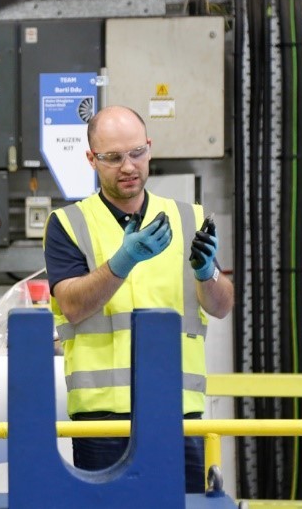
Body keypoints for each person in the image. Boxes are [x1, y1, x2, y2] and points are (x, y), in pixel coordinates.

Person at [42, 105, 234, 494]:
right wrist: (122, 262)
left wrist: (206, 273)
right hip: (103, 417)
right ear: (91, 159)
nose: (128, 166)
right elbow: (73, 306)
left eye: (136, 153)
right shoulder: (68, 225)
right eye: (113, 157)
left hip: (177, 410)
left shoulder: (188, 218)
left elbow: (221, 305)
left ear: (149, 148)